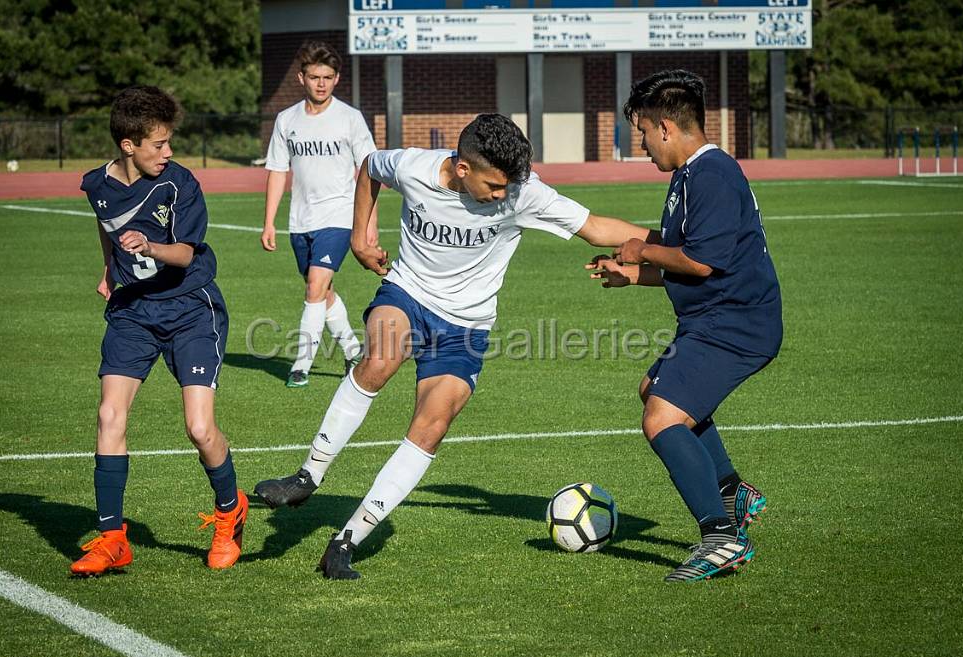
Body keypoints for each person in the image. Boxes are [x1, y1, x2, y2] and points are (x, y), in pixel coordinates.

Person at [255, 113, 644, 579]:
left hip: (467, 327)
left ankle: (347, 540)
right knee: (380, 359)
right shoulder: (415, 167)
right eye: (494, 185)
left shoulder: (523, 192)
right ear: (461, 168)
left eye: (507, 187)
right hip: (408, 294)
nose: (502, 196)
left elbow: (597, 228)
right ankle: (307, 477)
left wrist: (671, 247)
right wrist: (361, 236)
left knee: (431, 427)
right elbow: (370, 168)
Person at [588, 69, 782, 582]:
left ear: (667, 126)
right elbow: (689, 260)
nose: (644, 146)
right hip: (714, 318)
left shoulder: (712, 173)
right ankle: (732, 491)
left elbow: (700, 262)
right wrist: (633, 273)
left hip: (735, 323)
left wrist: (640, 249)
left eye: (644, 133)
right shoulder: (689, 177)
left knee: (661, 418)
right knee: (654, 387)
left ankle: (720, 540)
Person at [71, 86, 247, 576]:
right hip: (133, 312)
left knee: (198, 428)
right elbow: (105, 224)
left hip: (191, 308)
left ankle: (230, 511)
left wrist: (148, 245)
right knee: (109, 416)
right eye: (158, 144)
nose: (167, 153)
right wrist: (110, 267)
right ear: (128, 144)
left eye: (169, 143)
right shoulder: (96, 184)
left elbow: (186, 253)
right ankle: (111, 539)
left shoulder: (179, 184)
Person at [261, 41, 376, 387]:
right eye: (315, 77)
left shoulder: (350, 119)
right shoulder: (286, 120)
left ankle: (301, 364)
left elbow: (370, 170)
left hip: (339, 217)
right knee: (322, 292)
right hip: (301, 221)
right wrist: (269, 222)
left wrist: (368, 224)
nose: (321, 83)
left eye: (328, 77)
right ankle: (354, 351)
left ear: (337, 79)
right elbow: (278, 171)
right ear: (302, 78)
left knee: (315, 287)